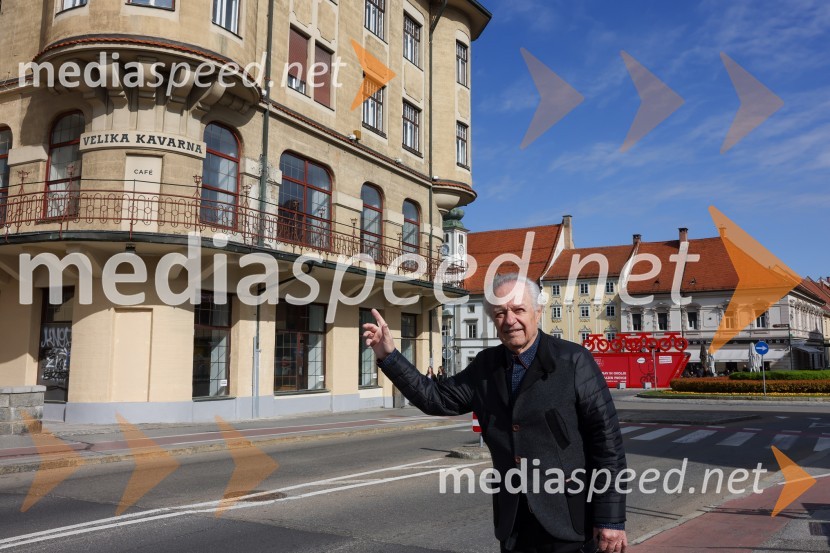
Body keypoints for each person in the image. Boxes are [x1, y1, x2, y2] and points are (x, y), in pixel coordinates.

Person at [363, 273, 627, 553]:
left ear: (538, 312)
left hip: (570, 523)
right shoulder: (486, 366)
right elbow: (435, 399)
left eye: (518, 309)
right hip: (513, 524)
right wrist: (389, 356)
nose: (510, 320)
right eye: (500, 313)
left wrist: (610, 518)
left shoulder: (573, 361)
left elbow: (607, 442)